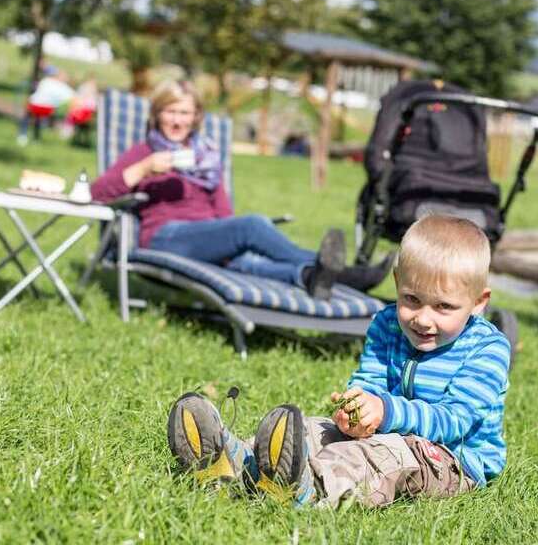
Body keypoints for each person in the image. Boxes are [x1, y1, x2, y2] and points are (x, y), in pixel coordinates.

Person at [167, 215, 511, 508]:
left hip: (451, 459)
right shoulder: (387, 323)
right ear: (397, 283)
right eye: (411, 299)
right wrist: (355, 411)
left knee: (379, 454)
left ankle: (308, 487)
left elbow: (456, 419)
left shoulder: (488, 349)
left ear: (479, 302)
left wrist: (386, 412)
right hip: (388, 427)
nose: (423, 319)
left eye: (444, 307)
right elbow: (368, 381)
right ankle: (238, 460)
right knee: (317, 429)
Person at [90, 79, 392, 299]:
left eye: (184, 113)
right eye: (170, 112)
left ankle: (312, 276)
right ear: (157, 114)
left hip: (205, 237)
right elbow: (98, 193)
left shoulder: (206, 156)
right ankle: (347, 274)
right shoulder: (145, 152)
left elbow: (223, 213)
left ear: (196, 117)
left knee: (246, 261)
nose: (177, 120)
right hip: (165, 238)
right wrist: (144, 168)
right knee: (251, 226)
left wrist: (224, 241)